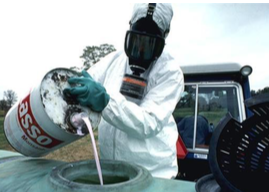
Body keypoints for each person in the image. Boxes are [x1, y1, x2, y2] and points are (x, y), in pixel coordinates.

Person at [64, 3, 184, 179]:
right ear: (129, 30)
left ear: (163, 41)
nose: (141, 50)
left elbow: (147, 122)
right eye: (137, 41)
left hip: (152, 174)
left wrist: (105, 102)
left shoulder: (170, 72)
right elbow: (86, 80)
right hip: (112, 170)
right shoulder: (115, 60)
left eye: (149, 44)